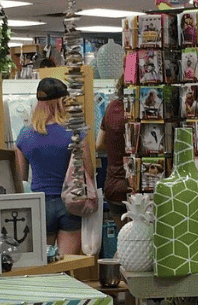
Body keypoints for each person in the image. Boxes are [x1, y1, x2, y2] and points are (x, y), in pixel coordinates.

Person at [14, 76, 93, 256]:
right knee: (67, 265)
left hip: (38, 205)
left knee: (45, 266)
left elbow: (20, 181)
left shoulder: (24, 137)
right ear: (63, 102)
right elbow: (88, 172)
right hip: (71, 204)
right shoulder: (76, 133)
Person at [96, 75, 127, 230]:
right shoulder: (137, 111)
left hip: (114, 185)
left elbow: (99, 144)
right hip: (141, 188)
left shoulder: (111, 108)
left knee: (124, 241)